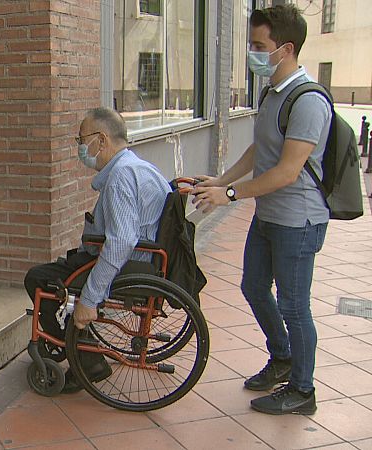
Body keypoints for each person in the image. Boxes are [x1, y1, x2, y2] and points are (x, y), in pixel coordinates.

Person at [191, 4, 329, 415]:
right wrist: (221, 180)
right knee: (253, 287)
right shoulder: (273, 93)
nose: (252, 52)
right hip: (268, 216)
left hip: (297, 221)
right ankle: (282, 358)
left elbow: (287, 171)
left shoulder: (307, 101)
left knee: (293, 305)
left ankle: (303, 390)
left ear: (285, 48)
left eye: (258, 45)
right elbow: (260, 149)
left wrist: (231, 196)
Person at [24, 107, 171, 393]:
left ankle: (85, 360)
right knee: (62, 268)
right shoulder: (138, 166)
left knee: (40, 278)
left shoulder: (121, 178)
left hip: (130, 262)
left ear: (101, 140)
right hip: (146, 259)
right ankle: (79, 348)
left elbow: (120, 242)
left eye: (81, 139)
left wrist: (90, 299)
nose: (79, 147)